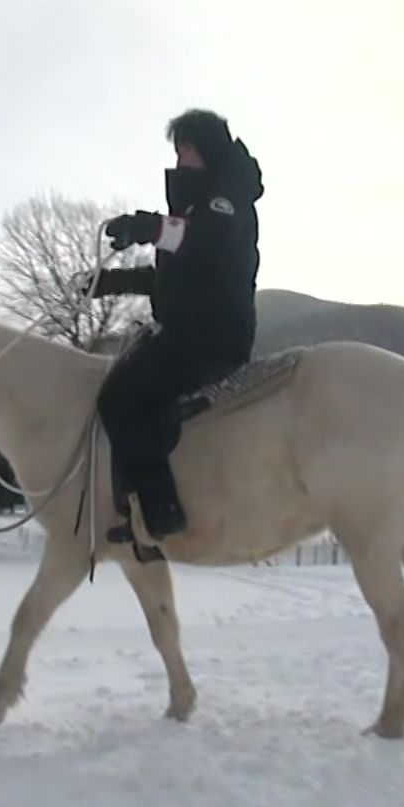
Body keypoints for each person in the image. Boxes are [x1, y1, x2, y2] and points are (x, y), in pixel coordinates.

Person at [85, 109, 264, 558]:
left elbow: (207, 240)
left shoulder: (228, 198)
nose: (181, 159)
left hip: (211, 336)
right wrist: (109, 283)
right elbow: (176, 274)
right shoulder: (197, 205)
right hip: (189, 331)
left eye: (187, 149)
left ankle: (160, 513)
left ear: (208, 149)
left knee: (118, 397)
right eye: (178, 151)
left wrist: (147, 227)